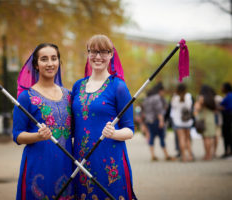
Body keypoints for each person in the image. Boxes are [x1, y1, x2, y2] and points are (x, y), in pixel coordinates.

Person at [72, 34, 137, 199]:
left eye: (103, 52)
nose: (98, 57)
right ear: (88, 54)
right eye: (93, 52)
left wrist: (114, 133)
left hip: (109, 159)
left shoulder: (119, 87)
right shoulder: (78, 86)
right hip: (81, 160)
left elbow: (129, 130)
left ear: (111, 55)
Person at [12, 43, 74, 199]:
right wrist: (37, 136)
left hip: (66, 164)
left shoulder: (69, 96)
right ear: (36, 65)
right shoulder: (26, 97)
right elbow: (17, 135)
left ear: (59, 63)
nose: (50, 63)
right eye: (44, 59)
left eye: (54, 58)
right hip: (39, 165)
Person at [142, 83, 174, 161]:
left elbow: (144, 110)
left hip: (149, 120)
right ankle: (166, 155)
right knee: (161, 137)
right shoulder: (157, 98)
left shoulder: (147, 98)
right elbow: (159, 111)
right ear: (160, 90)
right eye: (163, 91)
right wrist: (161, 121)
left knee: (152, 137)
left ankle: (153, 155)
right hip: (156, 120)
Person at [170, 84, 194, 162]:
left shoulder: (175, 97)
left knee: (181, 139)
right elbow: (190, 107)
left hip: (178, 121)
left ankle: (183, 157)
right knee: (187, 139)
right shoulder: (188, 96)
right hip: (187, 121)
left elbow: (172, 107)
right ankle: (190, 156)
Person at [194, 85, 217, 161]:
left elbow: (197, 108)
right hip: (211, 119)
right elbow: (215, 109)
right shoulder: (211, 98)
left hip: (204, 119)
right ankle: (209, 154)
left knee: (205, 138)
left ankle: (207, 155)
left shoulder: (201, 98)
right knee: (210, 138)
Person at [220, 82, 232, 158]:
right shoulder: (227, 96)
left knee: (228, 134)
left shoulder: (229, 96)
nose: (221, 88)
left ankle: (228, 151)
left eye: (222, 87)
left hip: (228, 118)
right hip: (227, 118)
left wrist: (221, 108)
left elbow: (230, 107)